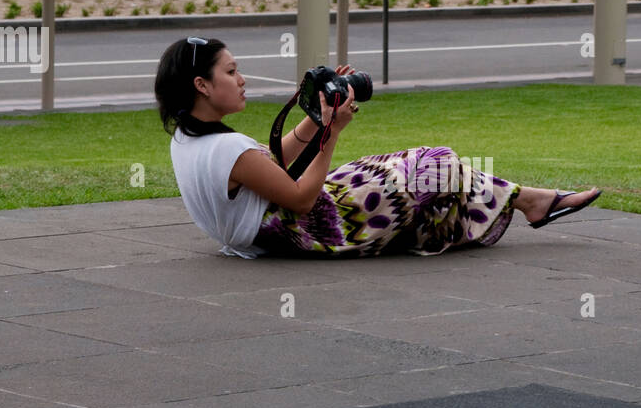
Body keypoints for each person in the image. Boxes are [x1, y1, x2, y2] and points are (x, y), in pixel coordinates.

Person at [155, 37, 602, 258]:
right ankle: (532, 202)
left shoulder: (190, 138)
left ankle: (532, 202)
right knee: (436, 164)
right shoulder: (226, 149)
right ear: (202, 85)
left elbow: (270, 167)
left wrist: (316, 121)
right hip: (306, 227)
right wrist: (332, 131)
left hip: (269, 227)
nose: (242, 79)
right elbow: (301, 197)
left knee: (426, 167)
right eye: (231, 72)